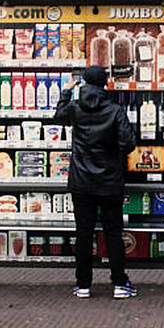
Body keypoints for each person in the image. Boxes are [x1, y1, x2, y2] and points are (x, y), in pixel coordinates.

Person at [52, 65, 137, 299]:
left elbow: (57, 116)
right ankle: (119, 283)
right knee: (113, 232)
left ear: (84, 83)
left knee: (84, 233)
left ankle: (83, 285)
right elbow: (129, 143)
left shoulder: (75, 108)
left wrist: (66, 91)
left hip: (81, 181)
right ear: (105, 84)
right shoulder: (114, 110)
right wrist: (113, 154)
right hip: (109, 180)